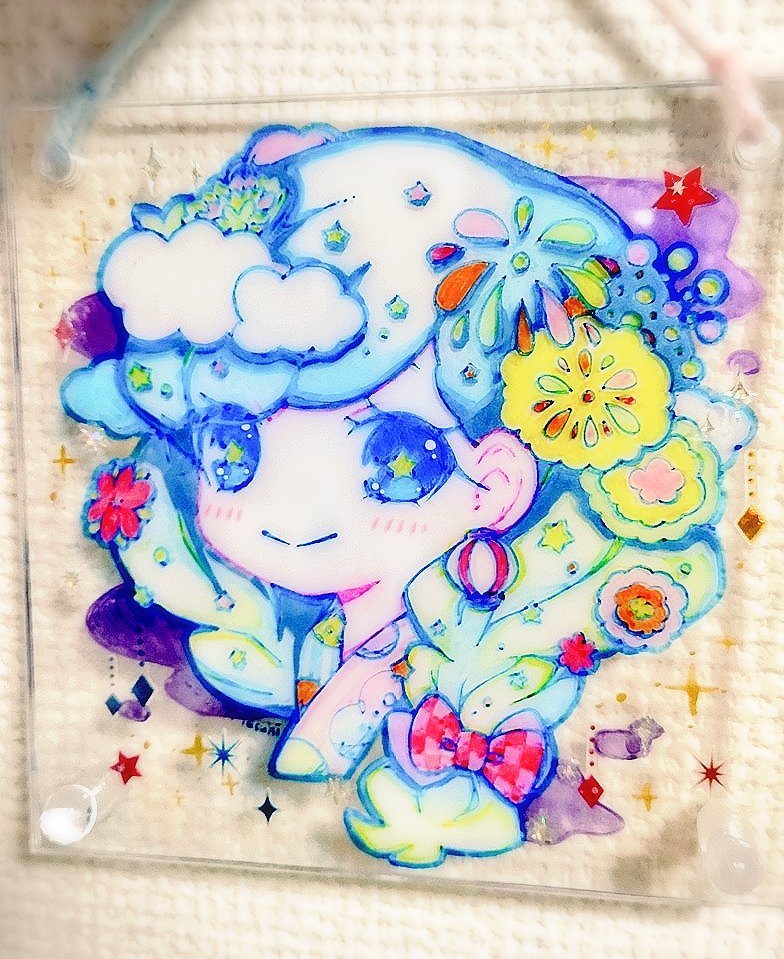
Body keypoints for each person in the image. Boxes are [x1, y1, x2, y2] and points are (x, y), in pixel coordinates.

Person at [62, 124, 754, 865]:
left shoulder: (476, 657)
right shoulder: (273, 630)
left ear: (497, 483)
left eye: (397, 460)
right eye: (235, 449)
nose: (296, 515)